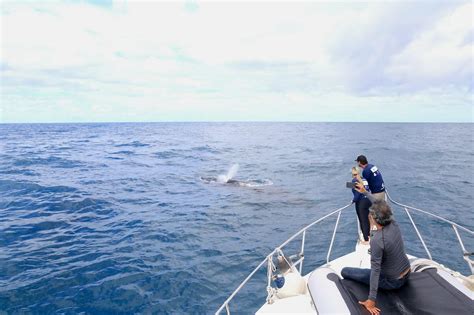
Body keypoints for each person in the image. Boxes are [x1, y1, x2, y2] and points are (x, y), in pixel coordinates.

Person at [341, 185, 410, 315]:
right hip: (407, 273)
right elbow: (380, 203)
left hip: (393, 282)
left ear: (373, 218)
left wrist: (371, 300)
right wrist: (365, 192)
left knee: (345, 271)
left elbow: (376, 270)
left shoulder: (378, 239)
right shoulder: (393, 222)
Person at [350, 167, 371, 244]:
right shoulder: (364, 179)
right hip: (368, 200)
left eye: (354, 174)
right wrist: (349, 185)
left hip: (361, 202)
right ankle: (368, 235)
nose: (353, 176)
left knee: (363, 220)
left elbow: (357, 194)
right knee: (366, 219)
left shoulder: (354, 180)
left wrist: (353, 200)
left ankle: (366, 240)